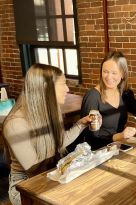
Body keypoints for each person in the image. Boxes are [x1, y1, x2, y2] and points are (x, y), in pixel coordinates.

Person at [3, 64, 92, 205]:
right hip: (25, 185)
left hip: (49, 174)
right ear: (45, 87)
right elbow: (33, 166)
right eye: (63, 84)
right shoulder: (16, 124)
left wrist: (81, 124)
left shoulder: (50, 111)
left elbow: (59, 141)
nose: (67, 89)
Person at [73, 51, 136, 150]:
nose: (109, 77)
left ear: (122, 74)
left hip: (118, 147)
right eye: (105, 71)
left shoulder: (125, 93)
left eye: (114, 73)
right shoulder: (93, 96)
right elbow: (90, 138)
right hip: (97, 152)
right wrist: (119, 136)